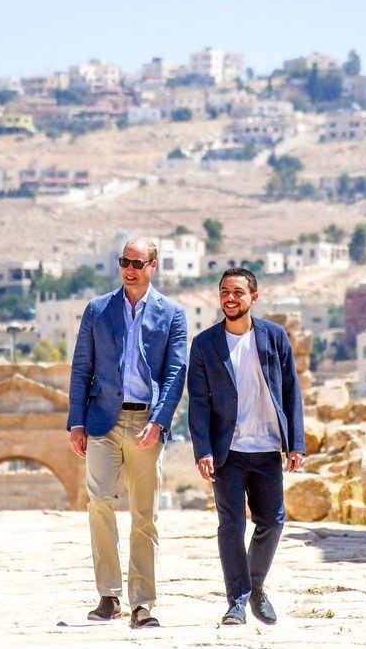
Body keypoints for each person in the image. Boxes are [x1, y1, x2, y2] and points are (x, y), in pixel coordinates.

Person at [67, 237, 188, 628]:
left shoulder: (173, 314)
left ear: (154, 265)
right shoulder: (97, 310)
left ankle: (143, 603)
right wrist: (76, 422)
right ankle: (108, 595)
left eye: (137, 262)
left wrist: (160, 420)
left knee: (144, 514)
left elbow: (175, 372)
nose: (129, 269)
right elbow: (81, 367)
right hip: (103, 419)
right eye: (124, 261)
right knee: (99, 501)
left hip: (145, 424)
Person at [187, 267, 305, 625]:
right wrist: (202, 449)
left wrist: (295, 442)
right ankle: (236, 601)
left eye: (238, 292)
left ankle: (254, 587)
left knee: (273, 520)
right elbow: (199, 402)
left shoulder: (274, 337)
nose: (230, 298)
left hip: (268, 447)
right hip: (228, 452)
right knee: (231, 524)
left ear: (254, 297)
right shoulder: (205, 344)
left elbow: (290, 391)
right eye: (225, 291)